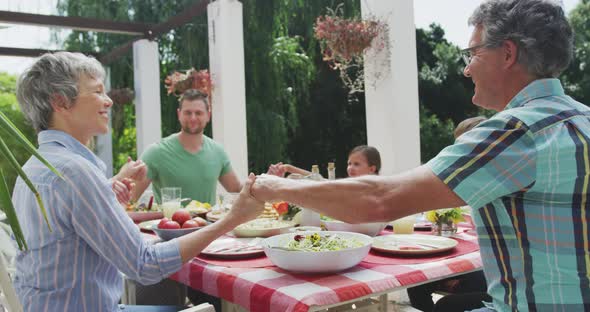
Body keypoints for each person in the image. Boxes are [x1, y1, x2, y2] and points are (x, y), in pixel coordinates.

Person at [252, 1, 585, 311]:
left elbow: (379, 200)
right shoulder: (582, 118)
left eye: (472, 54)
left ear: (508, 53)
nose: (467, 70)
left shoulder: (514, 131)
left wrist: (275, 187)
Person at [11, 51, 265, 312]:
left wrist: (107, 190)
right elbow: (145, 265)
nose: (108, 101)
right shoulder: (74, 172)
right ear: (60, 102)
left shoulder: (35, 168)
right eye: (98, 91)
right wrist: (232, 219)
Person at [407, 117, 489, 312]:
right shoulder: (465, 178)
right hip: (474, 259)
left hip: (492, 272)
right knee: (416, 281)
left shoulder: (495, 180)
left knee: (446, 305)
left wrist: (459, 273)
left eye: (466, 146)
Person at [131, 89, 242, 205]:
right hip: (168, 223)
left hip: (210, 223)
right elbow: (129, 198)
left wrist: (258, 181)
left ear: (208, 116)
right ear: (179, 114)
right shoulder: (156, 152)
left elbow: (236, 189)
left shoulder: (217, 152)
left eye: (198, 113)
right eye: (188, 113)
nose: (193, 118)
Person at [268, 145, 381, 178]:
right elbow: (317, 179)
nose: (350, 167)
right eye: (349, 163)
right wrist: (288, 168)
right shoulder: (349, 185)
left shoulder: (378, 187)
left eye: (356, 164)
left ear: (372, 169)